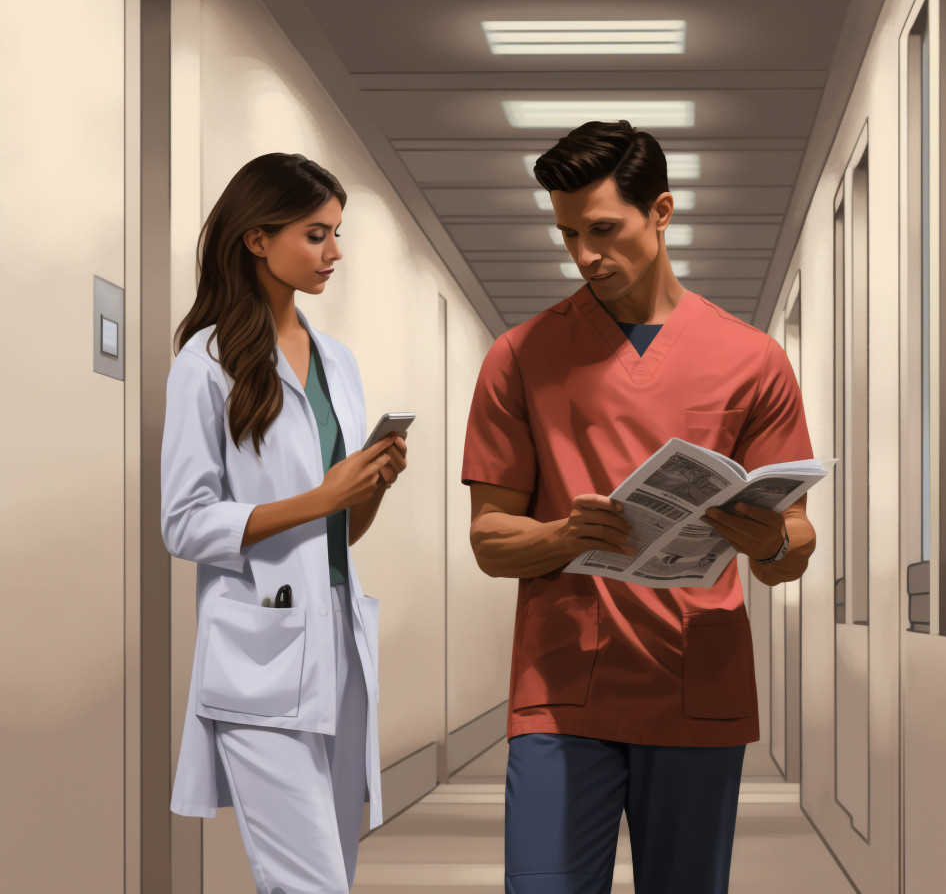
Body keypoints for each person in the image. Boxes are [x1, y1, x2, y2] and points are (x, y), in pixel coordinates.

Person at [461, 120, 817, 893]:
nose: (586, 254)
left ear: (661, 211)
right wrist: (562, 534)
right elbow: (489, 539)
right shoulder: (519, 358)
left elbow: (795, 544)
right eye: (568, 234)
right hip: (562, 692)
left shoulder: (753, 360)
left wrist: (768, 543)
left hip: (698, 684)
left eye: (603, 229)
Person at [160, 152, 407, 893]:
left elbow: (340, 533)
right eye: (316, 234)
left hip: (339, 637)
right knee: (310, 884)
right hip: (260, 650)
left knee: (335, 869)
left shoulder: (339, 361)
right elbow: (184, 523)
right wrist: (323, 495)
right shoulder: (205, 363)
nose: (336, 252)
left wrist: (372, 485)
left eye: (337, 233)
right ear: (256, 238)